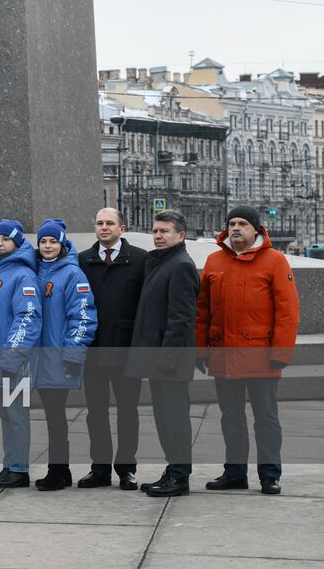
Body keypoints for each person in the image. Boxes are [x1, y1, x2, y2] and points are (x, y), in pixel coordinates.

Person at [196, 206, 300, 496]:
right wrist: (200, 351)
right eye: (232, 223)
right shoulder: (214, 260)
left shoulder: (275, 261)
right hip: (223, 354)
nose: (236, 228)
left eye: (242, 223)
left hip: (261, 356)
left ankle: (269, 475)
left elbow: (288, 312)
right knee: (231, 418)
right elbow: (202, 310)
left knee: (265, 419)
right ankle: (234, 473)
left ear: (256, 229)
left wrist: (280, 353)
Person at [125, 209, 200, 498]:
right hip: (158, 359)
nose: (157, 236)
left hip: (171, 361)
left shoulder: (181, 265)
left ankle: (179, 476)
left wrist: (167, 359)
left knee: (175, 419)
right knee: (164, 418)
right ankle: (173, 470)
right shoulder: (160, 262)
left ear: (180, 235)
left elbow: (181, 319)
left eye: (164, 231)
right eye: (155, 231)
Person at [76, 207, 146, 490]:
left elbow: (144, 306)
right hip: (93, 349)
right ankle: (100, 469)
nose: (104, 227)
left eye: (109, 223)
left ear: (122, 228)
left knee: (128, 411)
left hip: (125, 350)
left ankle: (127, 469)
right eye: (99, 223)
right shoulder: (83, 260)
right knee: (96, 412)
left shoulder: (140, 259)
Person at [31, 219, 97, 492]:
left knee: (55, 416)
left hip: (58, 357)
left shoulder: (72, 274)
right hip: (39, 358)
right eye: (43, 242)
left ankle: (57, 471)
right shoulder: (35, 271)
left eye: (53, 242)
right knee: (51, 415)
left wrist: (73, 354)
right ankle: (61, 471)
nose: (48, 246)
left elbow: (83, 317)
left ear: (62, 244)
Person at [0, 220, 41, 489]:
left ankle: (19, 469)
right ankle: (10, 465)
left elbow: (27, 319)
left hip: (13, 361)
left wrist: (12, 357)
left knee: (16, 416)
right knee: (5, 414)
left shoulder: (22, 275)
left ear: (17, 242)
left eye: (5, 239)